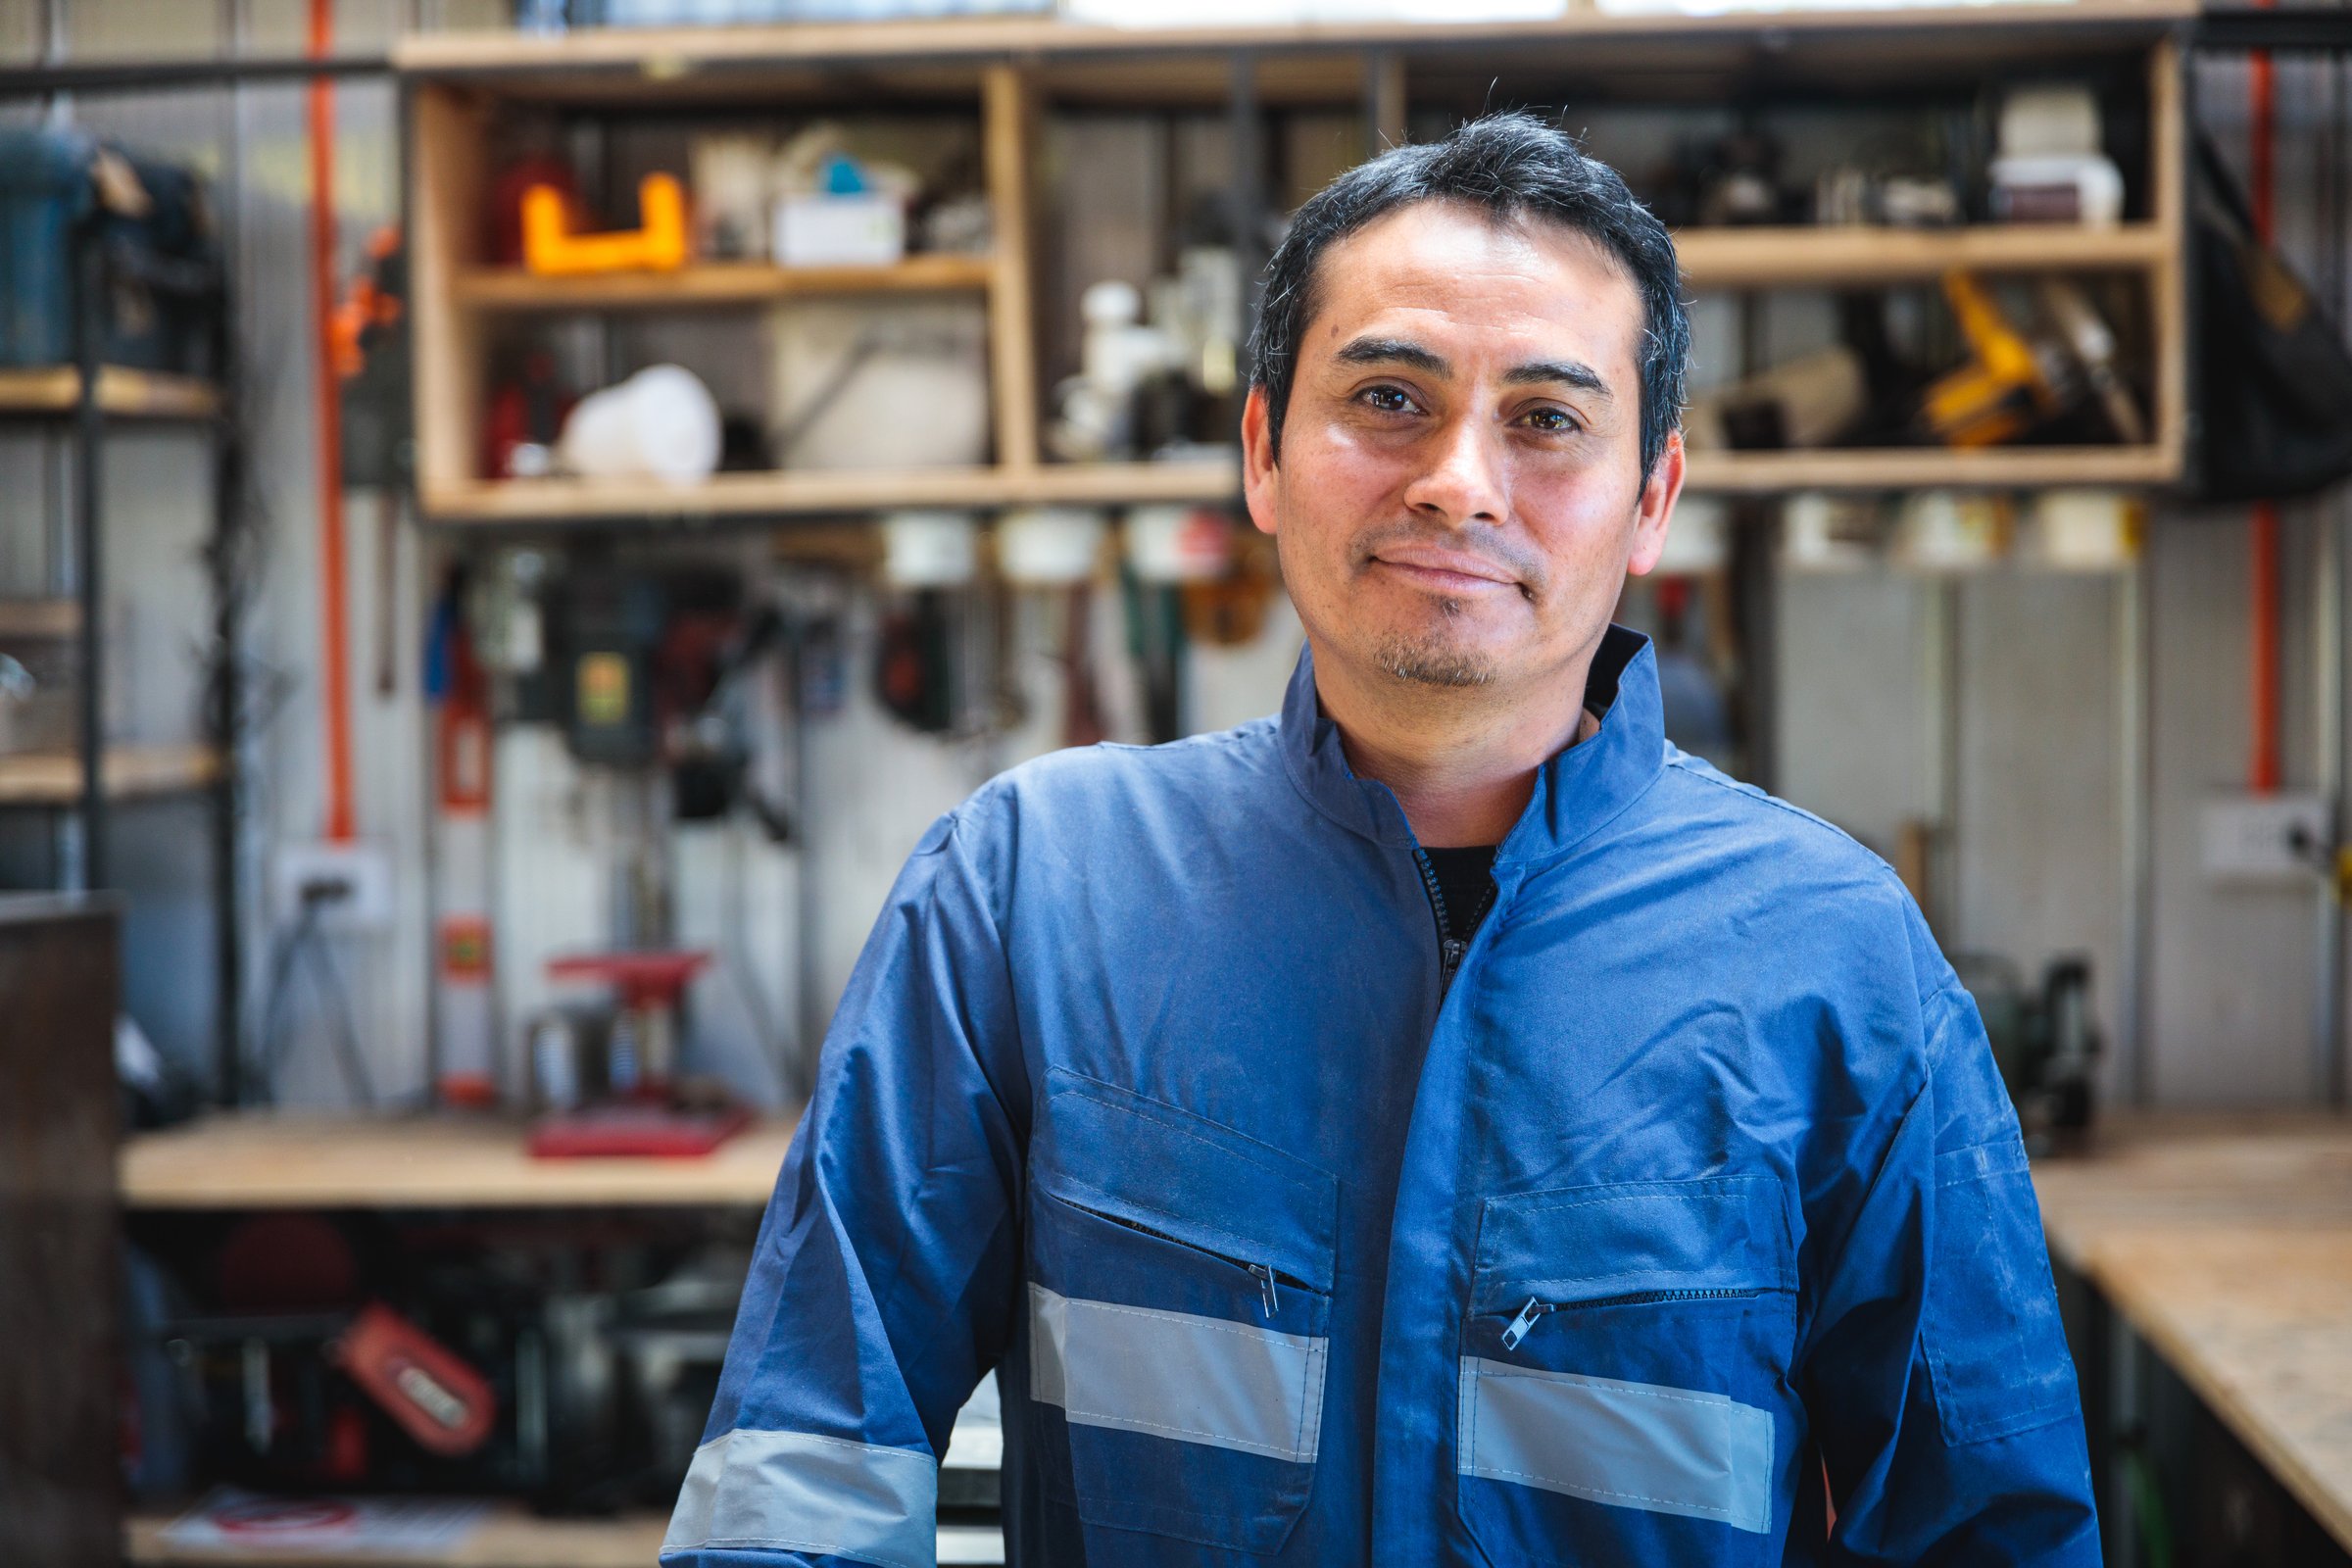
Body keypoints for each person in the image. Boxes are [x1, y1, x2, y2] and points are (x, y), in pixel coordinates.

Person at [662, 113, 2099, 1567]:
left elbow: (1991, 1534)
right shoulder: (1030, 892)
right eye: (1391, 398)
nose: (1459, 482)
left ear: (1652, 499)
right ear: (1265, 455)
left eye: (1547, 420)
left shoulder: (1838, 959)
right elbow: (799, 1481)